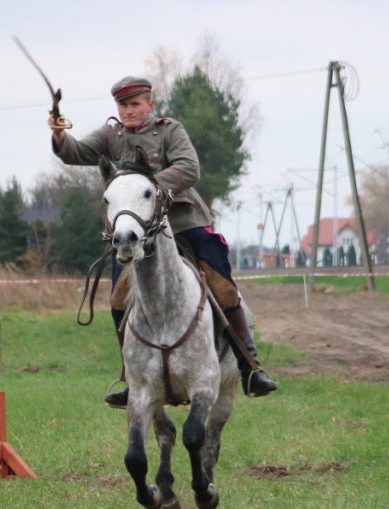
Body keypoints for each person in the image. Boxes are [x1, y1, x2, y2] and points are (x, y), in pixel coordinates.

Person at [51, 75, 276, 407]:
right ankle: (132, 376)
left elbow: (190, 168)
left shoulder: (171, 130)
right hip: (137, 233)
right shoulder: (111, 135)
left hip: (183, 223)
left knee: (223, 287)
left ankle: (250, 366)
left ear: (149, 104)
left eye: (134, 104)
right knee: (117, 299)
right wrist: (58, 133)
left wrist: (148, 186)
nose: (128, 111)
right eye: (123, 105)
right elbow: (75, 152)